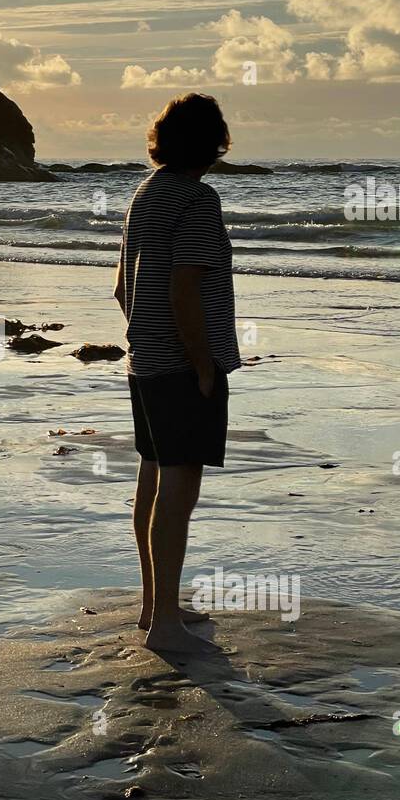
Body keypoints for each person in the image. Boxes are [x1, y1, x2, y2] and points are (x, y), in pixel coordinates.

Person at [114, 94, 241, 653]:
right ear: (214, 143)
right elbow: (184, 289)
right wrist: (200, 363)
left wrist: (146, 335)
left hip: (144, 358)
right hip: (181, 363)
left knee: (154, 473)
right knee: (180, 485)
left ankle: (154, 607)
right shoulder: (197, 199)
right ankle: (165, 623)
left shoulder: (145, 194)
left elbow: (124, 287)